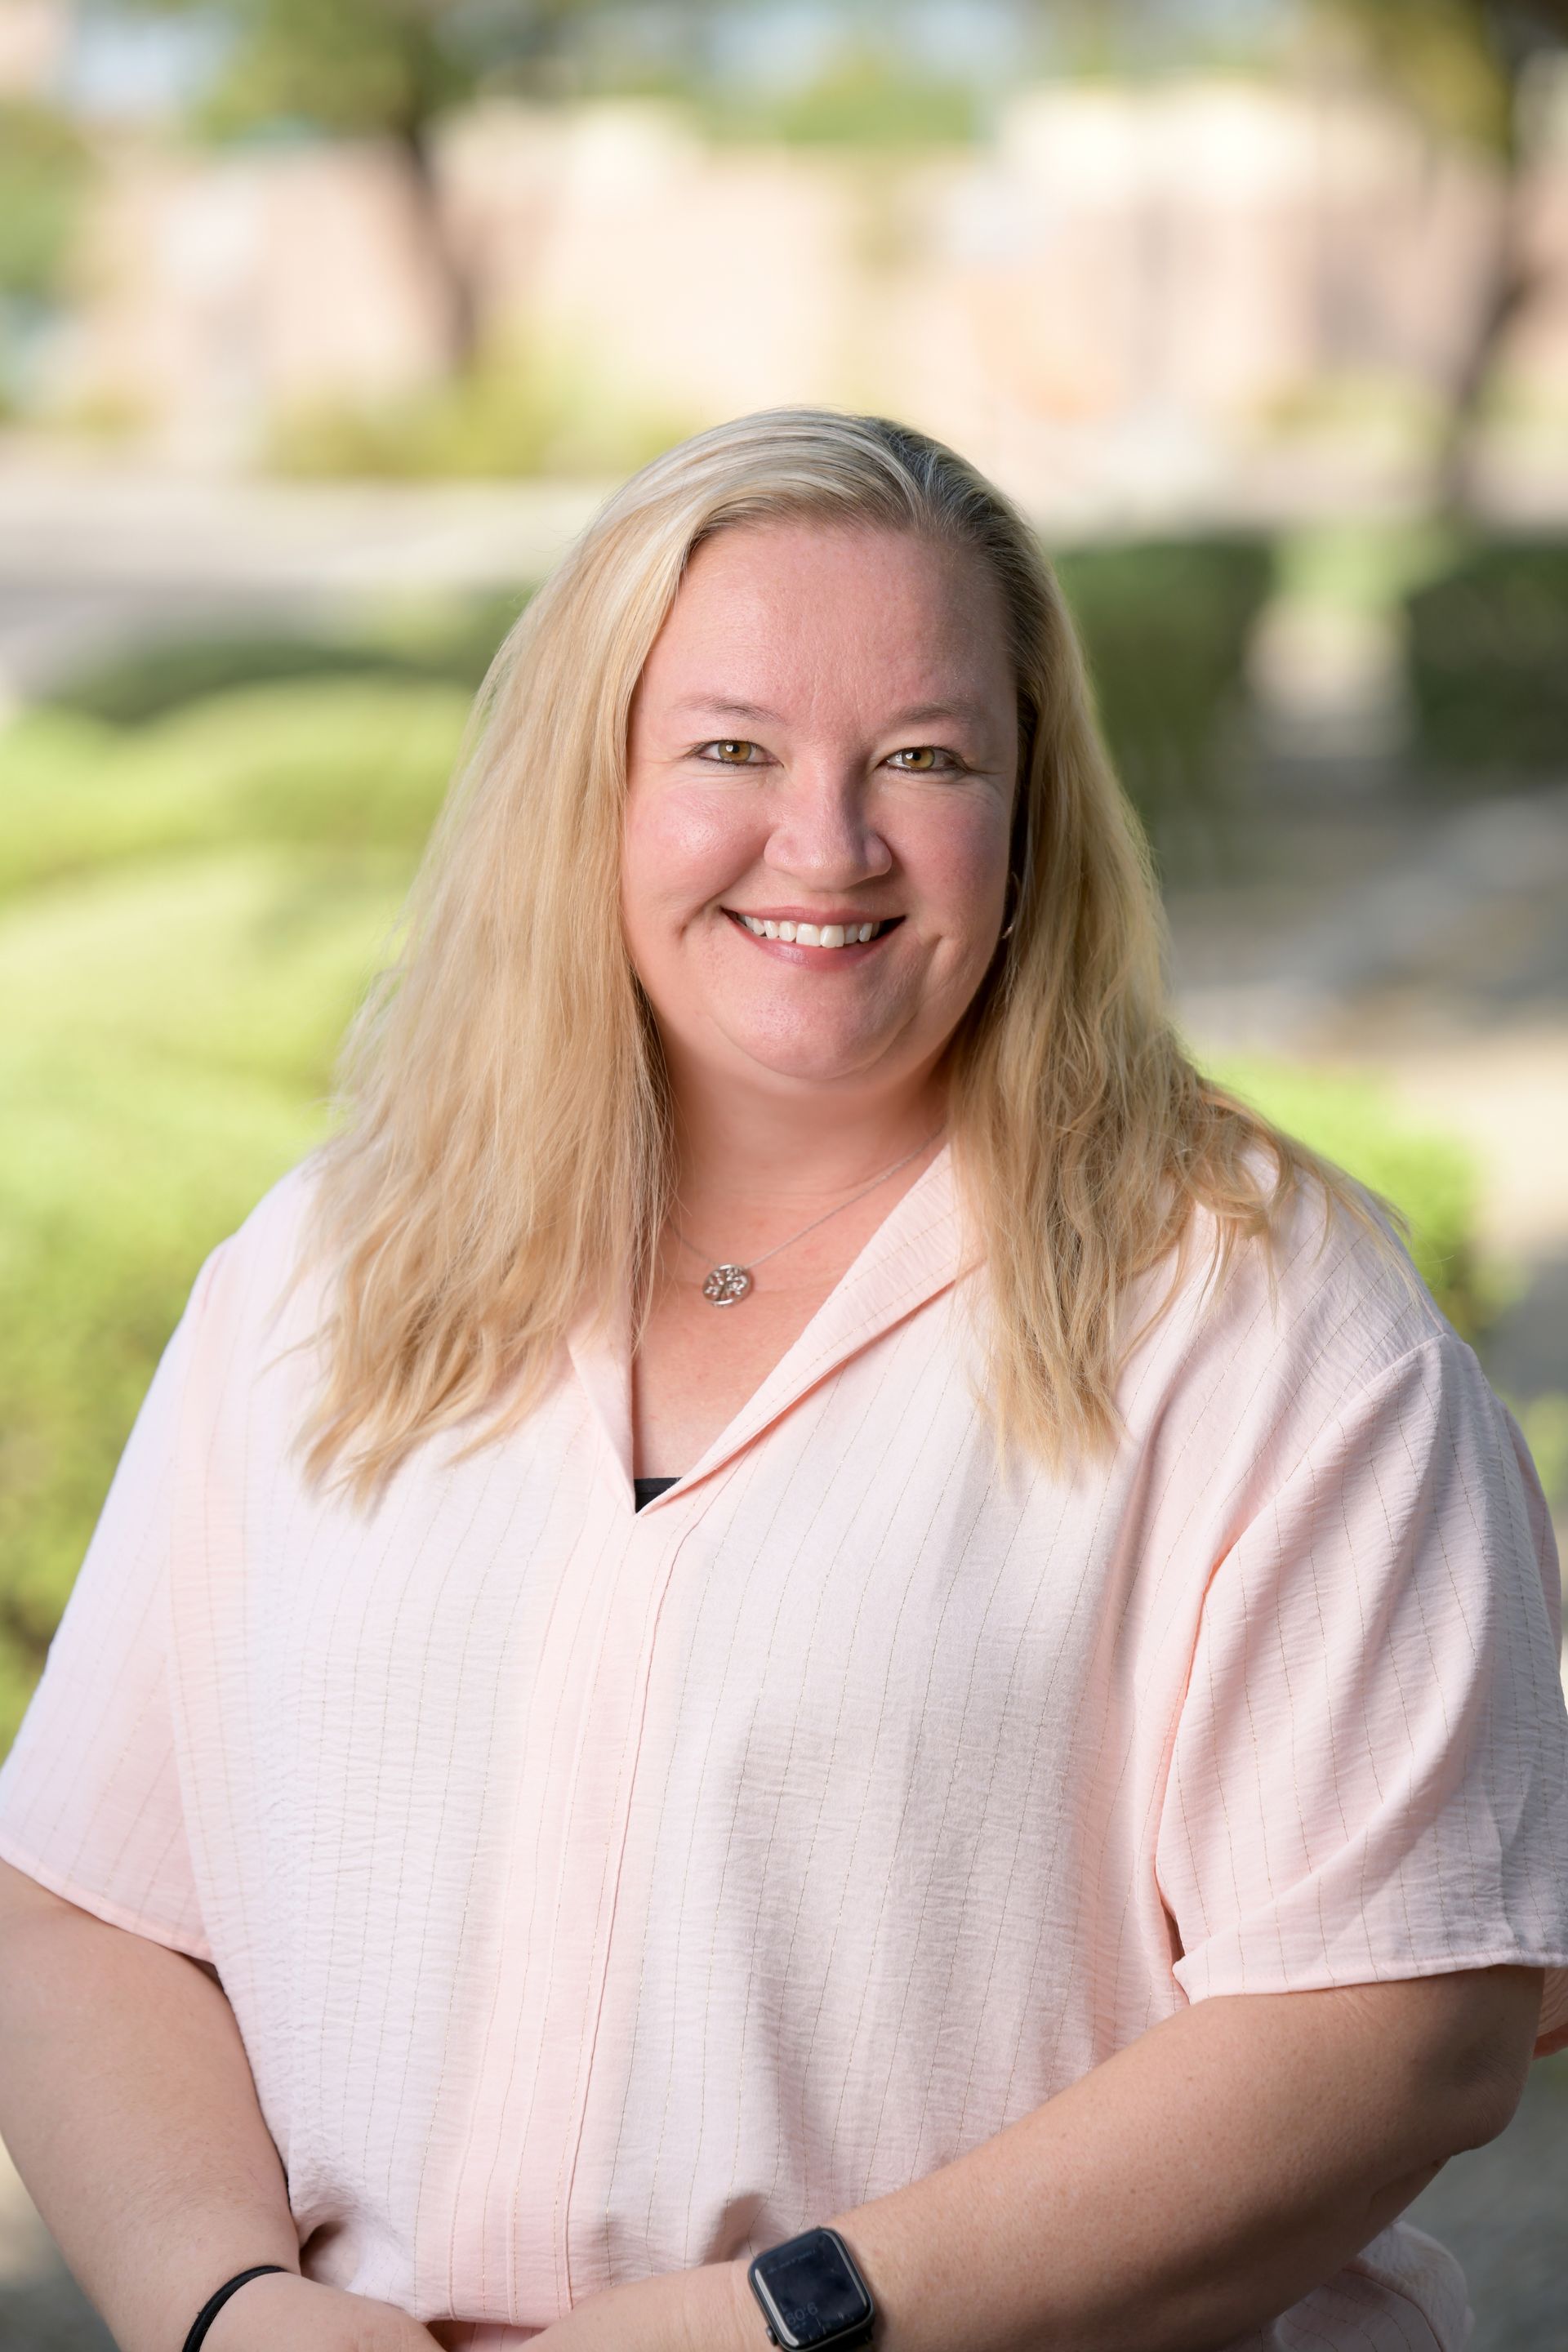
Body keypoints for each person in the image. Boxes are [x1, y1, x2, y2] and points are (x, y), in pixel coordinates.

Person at [0, 408, 1564, 2352]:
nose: (825, 845)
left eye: (923, 758)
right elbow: (82, 1907)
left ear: (1033, 809)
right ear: (590, 786)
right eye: (731, 748)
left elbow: (1406, 2026)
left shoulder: (1270, 1324)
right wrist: (225, 2310)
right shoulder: (323, 1270)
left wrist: (794, 2323)